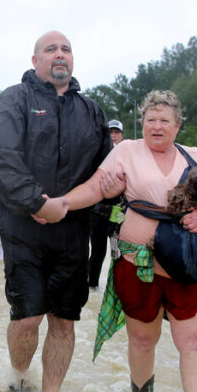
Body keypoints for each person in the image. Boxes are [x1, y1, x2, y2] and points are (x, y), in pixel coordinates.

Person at [60, 90, 197, 392]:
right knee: (142, 339)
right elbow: (93, 189)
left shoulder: (195, 155)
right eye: (150, 119)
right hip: (135, 266)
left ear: (178, 125)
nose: (157, 126)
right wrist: (60, 204)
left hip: (187, 267)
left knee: (195, 341)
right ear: (141, 123)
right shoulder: (126, 150)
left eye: (165, 120)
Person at [0, 30, 112, 392]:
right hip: (23, 228)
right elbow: (2, 157)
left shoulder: (91, 111)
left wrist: (70, 205)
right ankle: (19, 381)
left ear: (72, 60)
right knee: (28, 316)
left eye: (66, 49)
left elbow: (105, 170)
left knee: (64, 321)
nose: (60, 54)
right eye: (51, 49)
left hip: (73, 232)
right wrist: (37, 203)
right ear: (35, 60)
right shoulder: (14, 99)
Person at [88, 119, 124, 289]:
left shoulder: (127, 155)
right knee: (97, 250)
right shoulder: (96, 155)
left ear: (122, 135)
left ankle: (117, 285)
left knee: (116, 250)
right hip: (97, 211)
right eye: (110, 132)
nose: (113, 135)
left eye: (117, 132)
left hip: (118, 212)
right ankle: (91, 285)